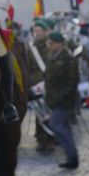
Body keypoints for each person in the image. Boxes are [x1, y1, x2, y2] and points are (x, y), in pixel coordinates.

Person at [45, 32, 79, 169]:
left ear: (59, 43)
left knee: (55, 125)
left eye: (51, 43)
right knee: (65, 128)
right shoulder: (50, 57)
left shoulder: (69, 59)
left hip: (64, 100)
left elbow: (72, 83)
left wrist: (59, 97)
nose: (49, 45)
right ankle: (72, 157)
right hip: (53, 98)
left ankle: (72, 155)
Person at [27, 19, 56, 151]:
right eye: (35, 31)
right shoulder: (30, 47)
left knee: (50, 112)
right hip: (35, 83)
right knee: (39, 113)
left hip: (49, 83)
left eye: (40, 31)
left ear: (45, 32)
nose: (37, 33)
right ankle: (40, 139)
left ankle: (50, 140)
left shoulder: (51, 46)